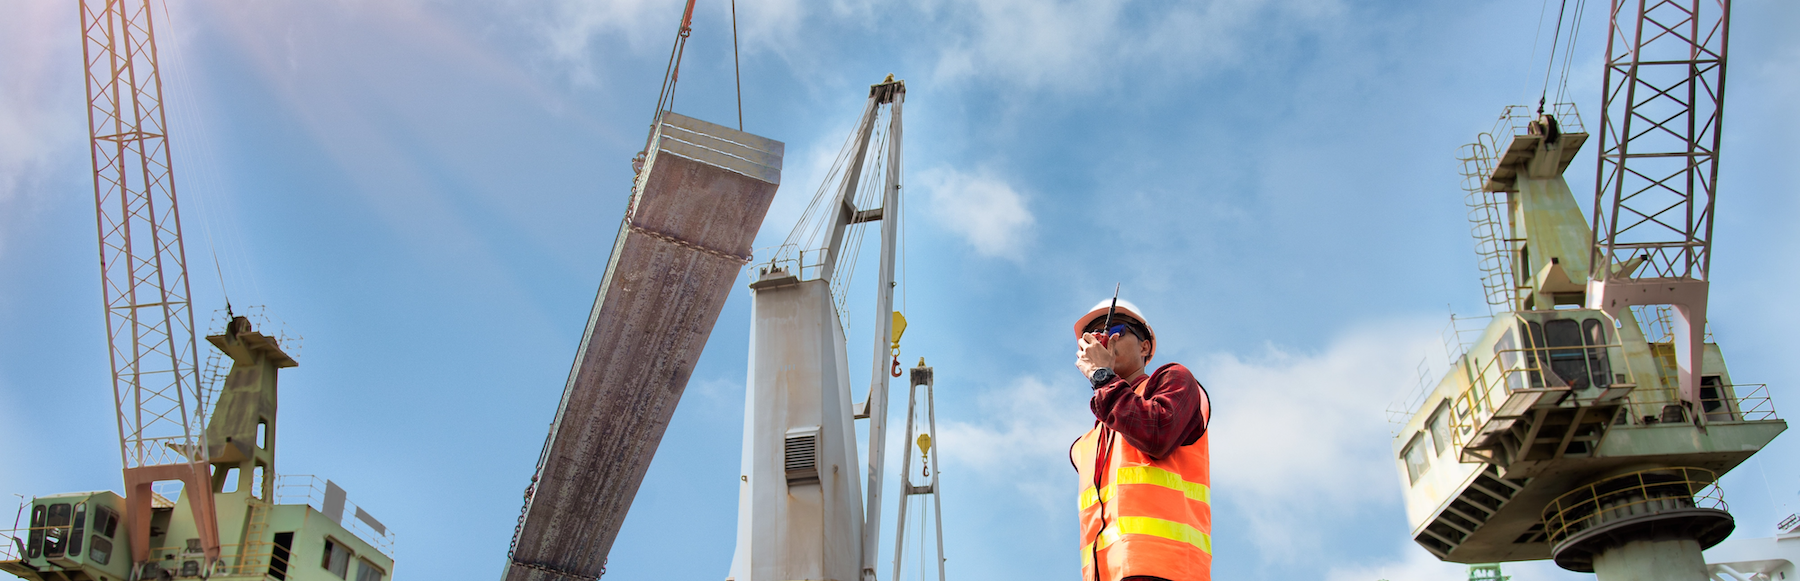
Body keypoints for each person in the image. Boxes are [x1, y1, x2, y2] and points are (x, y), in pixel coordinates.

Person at [1070, 299, 1212, 581]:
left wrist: (1103, 378)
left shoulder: (1174, 380)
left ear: (1144, 346)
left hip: (1166, 571)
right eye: (1093, 336)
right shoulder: (1085, 444)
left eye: (1115, 330)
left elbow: (1157, 433)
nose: (1103, 340)